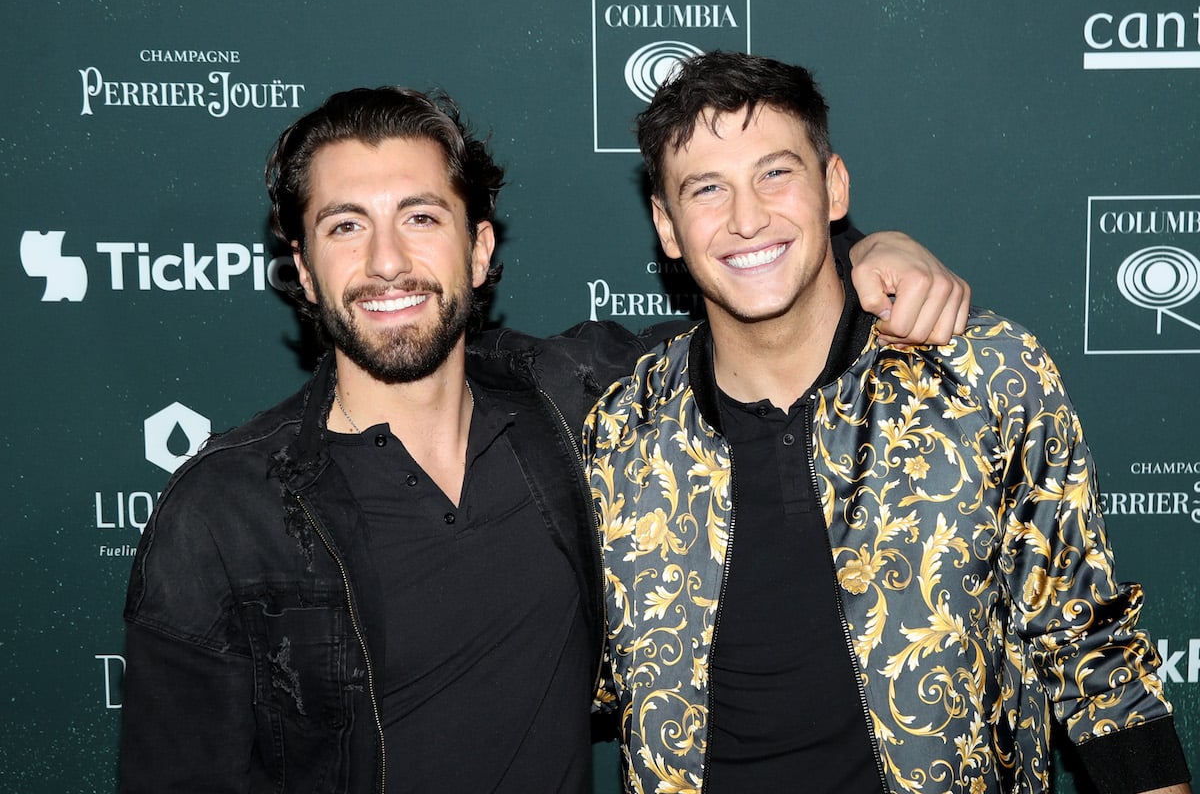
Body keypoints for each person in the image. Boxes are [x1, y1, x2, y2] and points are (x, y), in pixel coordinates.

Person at [117, 85, 968, 793]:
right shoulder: (222, 516)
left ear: (479, 249)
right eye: (344, 226)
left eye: (420, 218)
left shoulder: (581, 402)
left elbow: (757, 294)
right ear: (303, 269)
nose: (385, 262)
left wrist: (867, 250)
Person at [582, 52, 1192, 794]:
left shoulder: (985, 377)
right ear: (666, 226)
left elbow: (1090, 651)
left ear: (833, 187)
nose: (747, 218)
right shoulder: (621, 432)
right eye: (707, 189)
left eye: (776, 173)